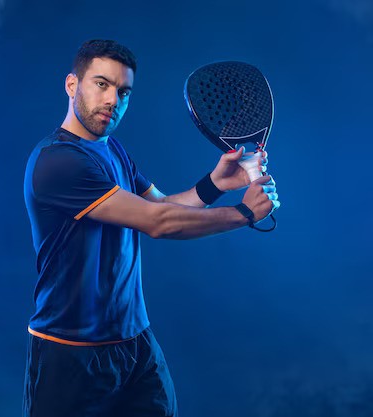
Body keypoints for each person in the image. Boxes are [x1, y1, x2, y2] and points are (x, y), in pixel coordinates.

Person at [22, 39, 279, 417]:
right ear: (72, 85)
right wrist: (243, 213)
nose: (112, 100)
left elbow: (160, 205)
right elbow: (158, 223)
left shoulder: (112, 150)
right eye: (101, 84)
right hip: (71, 354)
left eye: (123, 92)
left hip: (135, 345)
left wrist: (216, 184)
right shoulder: (57, 161)